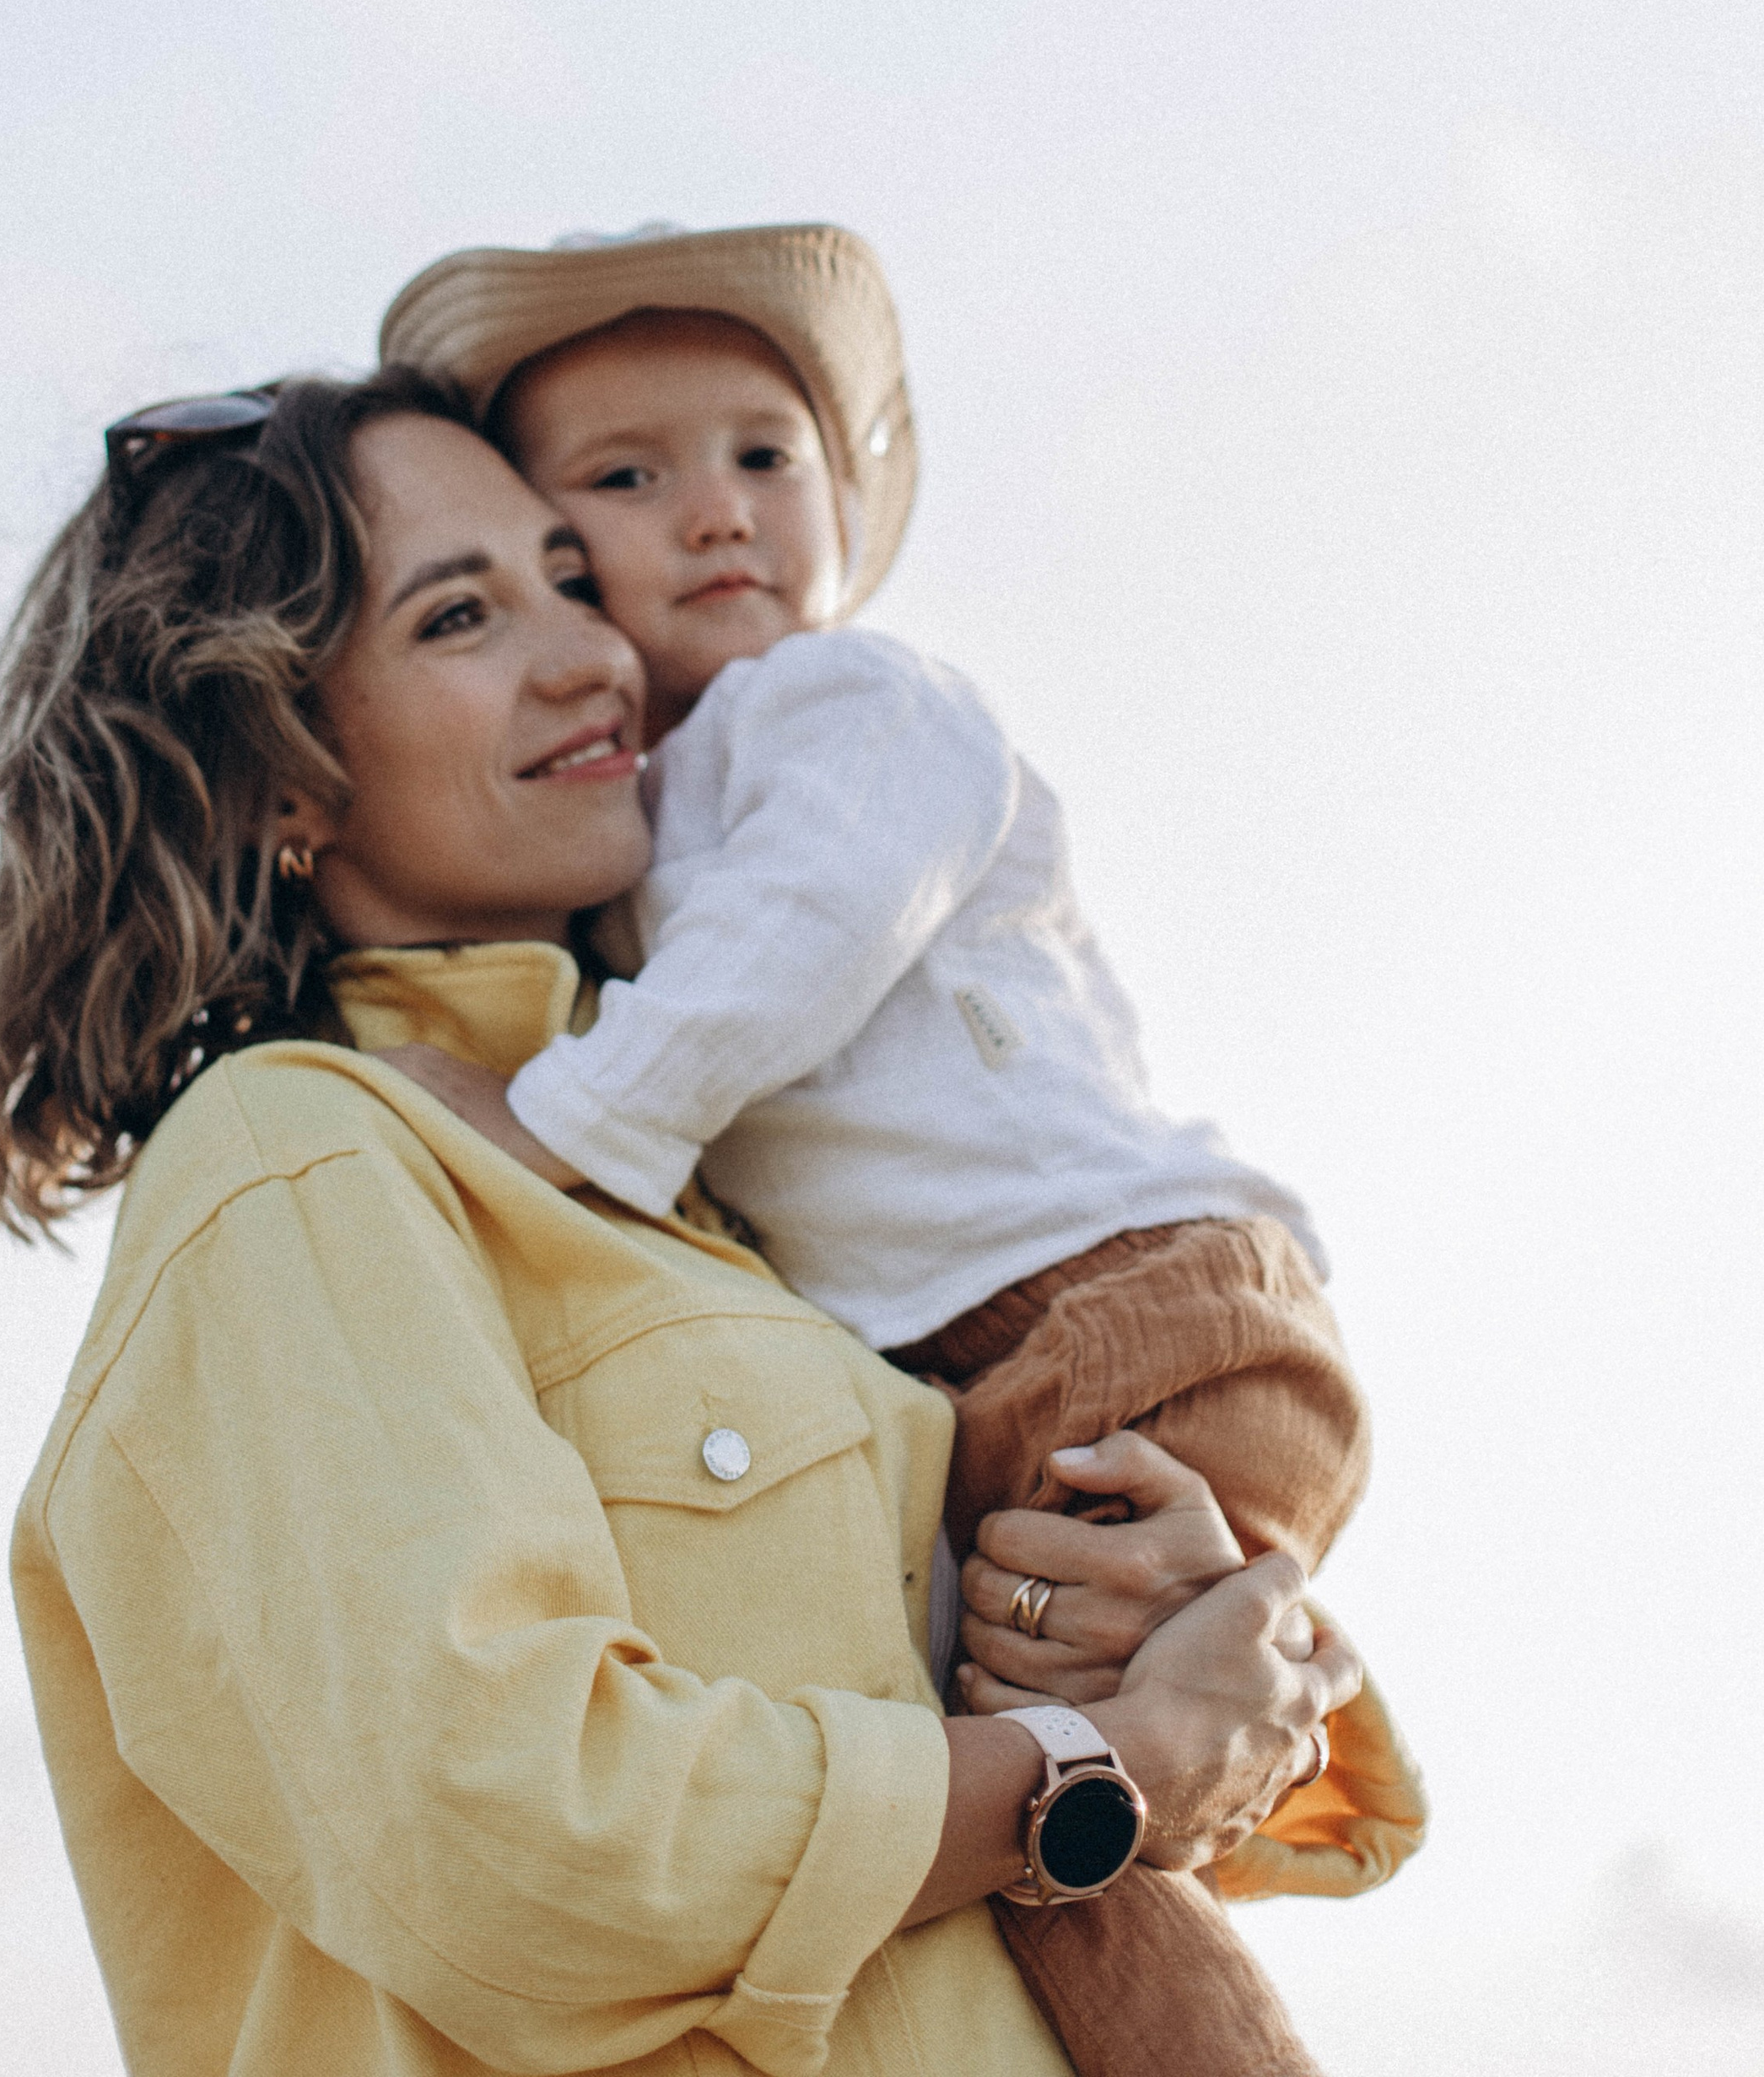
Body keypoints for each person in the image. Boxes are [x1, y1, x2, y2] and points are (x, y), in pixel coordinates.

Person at [0, 366, 1360, 2077]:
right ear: (278, 779)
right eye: (458, 617)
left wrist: (1189, 1620)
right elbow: (516, 1830)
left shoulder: (730, 1195)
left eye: (572, 580)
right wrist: (1098, 1777)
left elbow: (1061, 1727)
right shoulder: (298, 1164)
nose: (590, 656)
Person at [379, 224, 1427, 2077]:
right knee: (1058, 1844)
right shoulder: (635, 823)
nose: (715, 514)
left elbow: (813, 925)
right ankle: (1259, 1768)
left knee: (1051, 1797)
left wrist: (563, 1130)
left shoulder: (849, 710)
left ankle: (1263, 1725)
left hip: (1117, 1302)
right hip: (1008, 1346)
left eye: (764, 460)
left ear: (843, 506)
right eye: (628, 479)